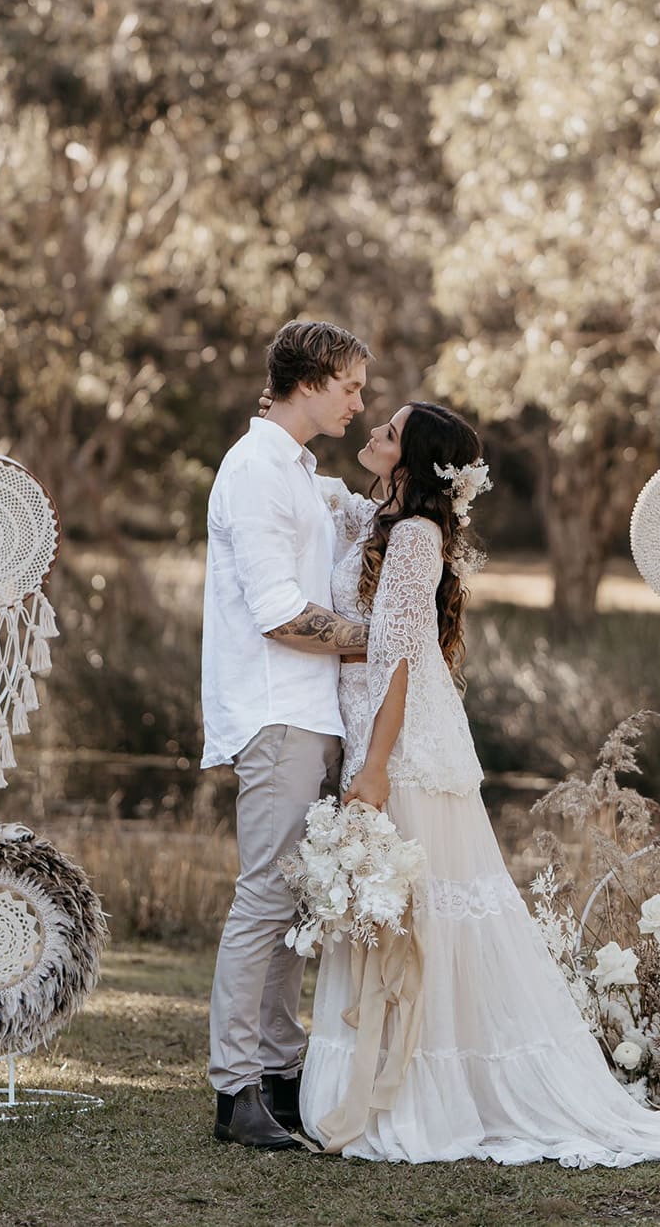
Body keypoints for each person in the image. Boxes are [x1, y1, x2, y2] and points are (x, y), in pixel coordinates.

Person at [299, 400, 660, 1168]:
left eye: (389, 432)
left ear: (413, 461)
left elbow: (398, 658)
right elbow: (332, 519)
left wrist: (373, 767)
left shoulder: (416, 536)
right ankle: (385, 1075)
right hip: (375, 729)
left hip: (401, 747)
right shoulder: (381, 519)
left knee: (417, 912)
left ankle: (415, 1090)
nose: (372, 433)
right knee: (394, 909)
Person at [202, 319, 372, 1150]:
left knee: (293, 902)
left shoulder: (300, 471)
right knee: (265, 898)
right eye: (350, 387)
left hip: (313, 712)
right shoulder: (256, 469)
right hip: (277, 711)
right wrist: (385, 642)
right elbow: (277, 614)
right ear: (308, 381)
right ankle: (235, 1089)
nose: (359, 403)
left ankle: (278, 1071)